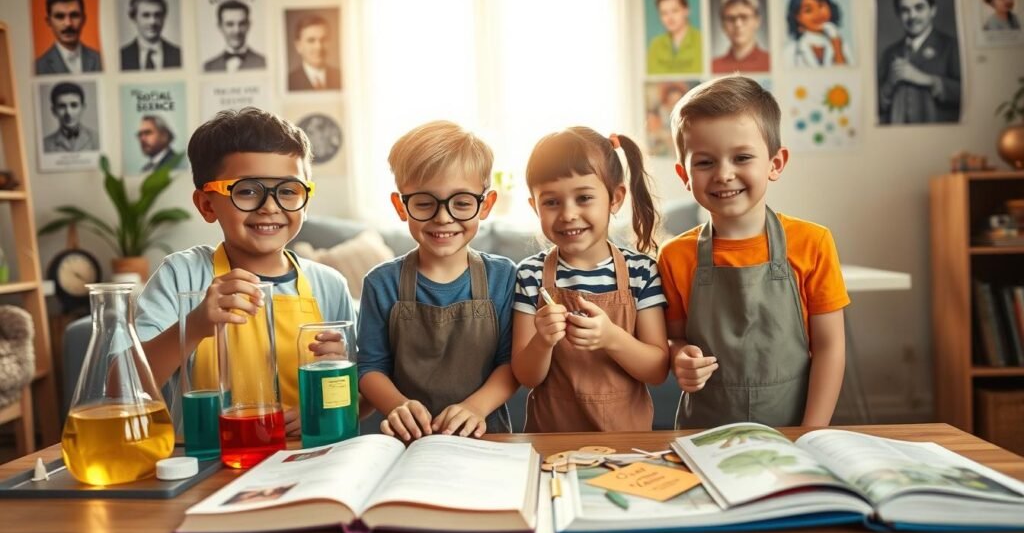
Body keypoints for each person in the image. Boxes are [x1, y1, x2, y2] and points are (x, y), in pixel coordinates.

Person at [135, 107, 361, 436]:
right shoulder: (182, 276)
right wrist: (196, 324)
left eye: (288, 191)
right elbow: (122, 384)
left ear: (305, 200)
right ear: (207, 205)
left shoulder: (328, 285)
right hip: (208, 463)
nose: (270, 206)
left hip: (306, 459)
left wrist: (328, 397)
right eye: (247, 191)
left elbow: (353, 398)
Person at [659, 76, 849, 429]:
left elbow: (830, 348)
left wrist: (811, 433)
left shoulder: (813, 243)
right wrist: (679, 355)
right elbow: (675, 336)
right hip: (703, 435)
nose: (724, 174)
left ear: (775, 164)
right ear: (684, 174)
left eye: (742, 157)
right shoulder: (673, 256)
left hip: (793, 432)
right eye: (704, 163)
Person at [357, 121, 517, 441]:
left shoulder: (504, 277)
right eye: (425, 202)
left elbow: (511, 365)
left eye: (461, 202)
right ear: (401, 206)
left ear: (485, 205)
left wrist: (475, 408)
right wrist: (399, 406)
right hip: (404, 442)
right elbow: (370, 368)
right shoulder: (380, 283)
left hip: (486, 438)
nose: (443, 217)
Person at [510, 128, 669, 432]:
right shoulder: (530, 275)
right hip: (550, 442)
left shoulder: (641, 272)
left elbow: (658, 369)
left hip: (628, 442)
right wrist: (542, 341)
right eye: (551, 202)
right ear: (534, 206)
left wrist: (612, 337)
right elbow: (525, 376)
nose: (568, 214)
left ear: (615, 198)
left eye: (583, 198)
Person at [877, 0, 961, 124]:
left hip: (940, 135)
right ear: (898, 15)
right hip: (897, 136)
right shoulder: (890, 52)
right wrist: (889, 85)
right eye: (905, 10)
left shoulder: (951, 46)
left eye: (919, 8)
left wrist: (927, 79)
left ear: (932, 10)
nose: (912, 16)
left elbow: (968, 95)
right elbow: (874, 105)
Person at [35, 0, 102, 75]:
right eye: (59, 16)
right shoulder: (38, 67)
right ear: (49, 22)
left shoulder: (101, 60)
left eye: (74, 15)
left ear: (83, 19)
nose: (68, 23)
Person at [783, 0, 850, 67]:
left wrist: (837, 48)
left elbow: (847, 76)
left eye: (821, 6)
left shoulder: (842, 46)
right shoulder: (790, 51)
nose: (818, 14)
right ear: (797, 17)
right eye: (808, 10)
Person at [119, 0, 182, 71]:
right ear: (134, 18)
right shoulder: (121, 56)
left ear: (164, 18)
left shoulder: (179, 54)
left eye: (157, 15)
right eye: (146, 15)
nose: (152, 22)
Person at [712, 0, 770, 74]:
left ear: (757, 21)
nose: (738, 24)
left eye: (744, 17)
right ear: (723, 25)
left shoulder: (768, 61)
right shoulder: (714, 66)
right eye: (731, 18)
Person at [647, 0, 702, 75]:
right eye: (664, 13)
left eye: (675, 11)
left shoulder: (701, 40)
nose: (669, 18)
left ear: (686, 11)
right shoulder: (655, 45)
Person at [203, 0, 267, 72]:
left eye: (242, 24)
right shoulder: (209, 67)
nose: (237, 31)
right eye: (230, 24)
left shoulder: (263, 63)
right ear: (220, 26)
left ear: (248, 25)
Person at [287, 15, 341, 91]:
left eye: (324, 40)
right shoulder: (289, 82)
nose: (319, 47)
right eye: (311, 40)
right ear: (298, 46)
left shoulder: (342, 77)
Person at [42, 82, 98, 153]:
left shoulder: (96, 139)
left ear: (83, 108)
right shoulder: (45, 145)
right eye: (62, 106)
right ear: (54, 111)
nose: (68, 112)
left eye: (74, 105)